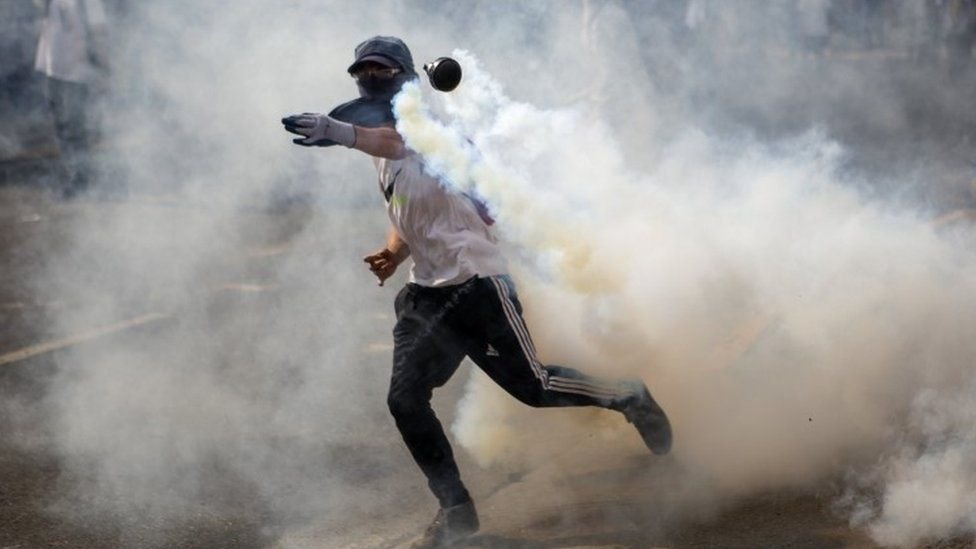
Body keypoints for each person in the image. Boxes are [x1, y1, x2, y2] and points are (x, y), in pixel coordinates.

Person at [282, 36, 672, 549]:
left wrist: (337, 130)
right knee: (405, 401)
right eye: (362, 72)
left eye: (381, 71)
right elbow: (408, 209)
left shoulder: (429, 132)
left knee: (534, 388)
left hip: (478, 286)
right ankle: (456, 509)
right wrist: (394, 252)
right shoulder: (383, 152)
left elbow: (394, 142)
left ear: (405, 77)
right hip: (426, 294)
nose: (370, 79)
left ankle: (627, 395)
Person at [34, 0, 110, 196]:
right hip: (53, 71)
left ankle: (81, 181)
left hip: (77, 74)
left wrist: (104, 69)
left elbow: (99, 33)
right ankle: (75, 176)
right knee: (62, 129)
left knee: (74, 130)